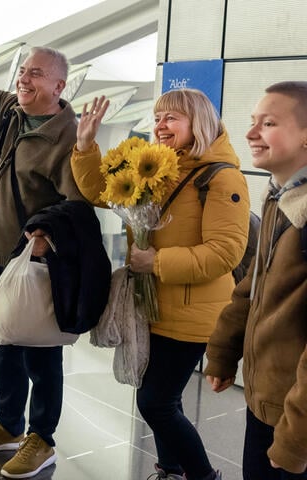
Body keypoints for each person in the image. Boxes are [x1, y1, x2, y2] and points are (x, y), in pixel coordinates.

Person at [0, 0, 94, 478]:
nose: (24, 80)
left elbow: (77, 205)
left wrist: (45, 236)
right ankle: (8, 424)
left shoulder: (67, 138)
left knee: (40, 353)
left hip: (37, 264)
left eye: (36, 74)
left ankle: (41, 439)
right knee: (0, 341)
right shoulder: (9, 111)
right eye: (23, 70)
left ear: (59, 86)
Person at [71, 88, 251, 480]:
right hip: (152, 308)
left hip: (193, 315)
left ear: (198, 122)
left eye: (171, 117)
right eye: (157, 117)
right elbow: (102, 193)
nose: (160, 125)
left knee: (155, 403)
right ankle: (170, 469)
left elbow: (226, 253)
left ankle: (203, 476)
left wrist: (156, 262)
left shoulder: (222, 178)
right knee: (166, 399)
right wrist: (85, 148)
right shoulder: (158, 167)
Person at [205, 81, 307, 480]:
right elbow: (254, 283)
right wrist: (224, 349)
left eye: (268, 123)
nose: (250, 133)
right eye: (252, 122)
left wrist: (296, 439)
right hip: (267, 401)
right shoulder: (281, 196)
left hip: (295, 419)